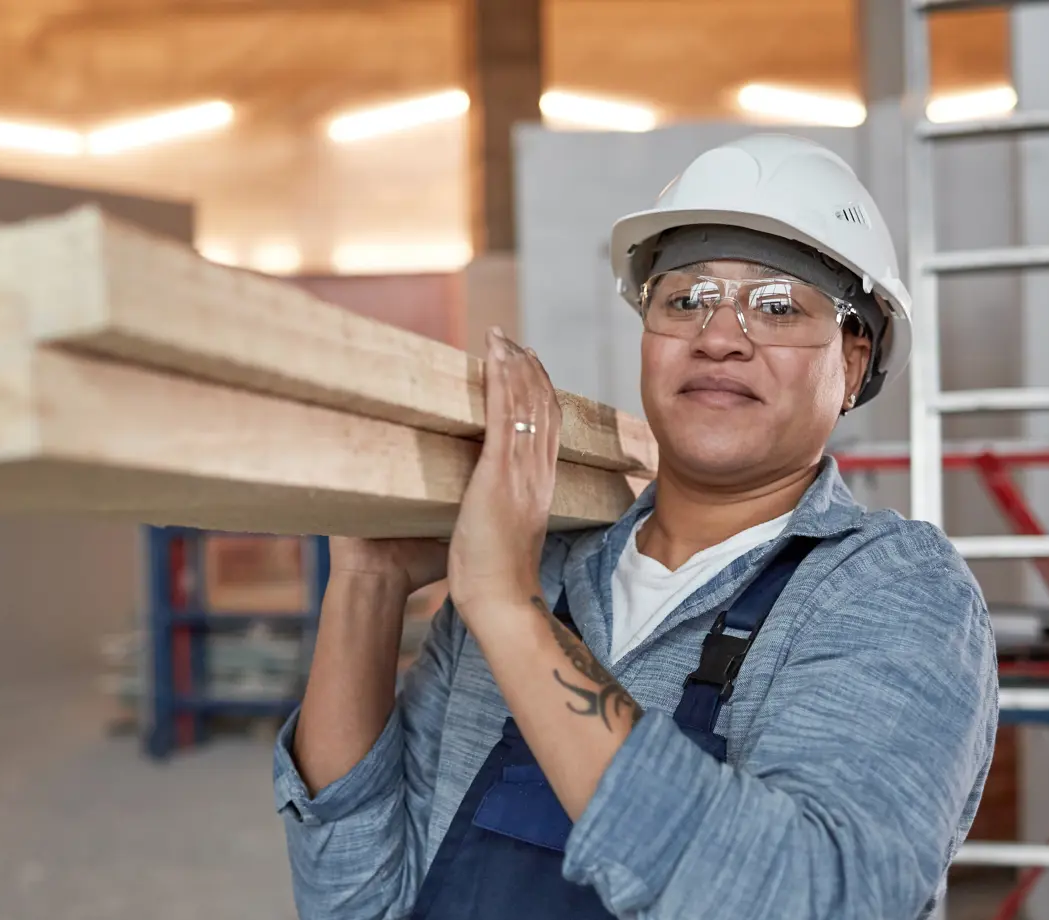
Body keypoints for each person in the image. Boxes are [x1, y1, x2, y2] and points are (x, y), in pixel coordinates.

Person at [271, 133, 1000, 920]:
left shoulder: (893, 592)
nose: (719, 336)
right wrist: (367, 583)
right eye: (684, 298)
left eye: (778, 306)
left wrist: (510, 614)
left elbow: (811, 898)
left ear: (853, 362)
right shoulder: (544, 569)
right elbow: (358, 900)